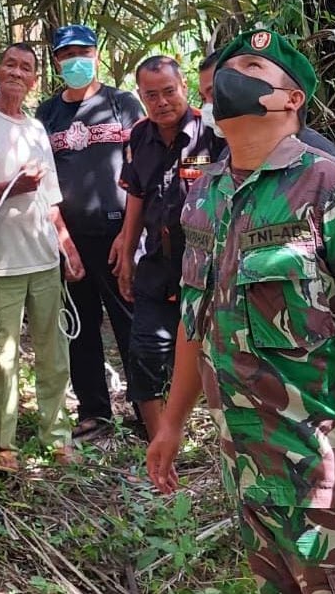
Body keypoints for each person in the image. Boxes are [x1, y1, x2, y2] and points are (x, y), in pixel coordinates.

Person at [147, 29, 335, 592]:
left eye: (252, 66)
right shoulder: (207, 194)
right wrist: (171, 421)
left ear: (292, 99)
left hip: (328, 473)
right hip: (247, 471)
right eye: (226, 66)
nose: (230, 75)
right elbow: (197, 319)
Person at [0, 43, 85, 472]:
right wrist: (9, 188)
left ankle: (57, 435)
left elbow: (50, 196)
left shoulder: (36, 129)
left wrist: (66, 247)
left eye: (27, 68)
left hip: (42, 260)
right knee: (2, 360)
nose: (17, 72)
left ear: (36, 79)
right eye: (10, 63)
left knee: (54, 355)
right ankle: (1, 445)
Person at [36, 24, 144, 441]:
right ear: (57, 61)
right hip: (69, 242)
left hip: (119, 235)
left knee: (130, 323)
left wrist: (130, 237)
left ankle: (147, 407)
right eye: (66, 55)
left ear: (96, 55)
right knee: (79, 328)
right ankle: (95, 412)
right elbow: (45, 180)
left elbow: (138, 170)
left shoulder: (122, 104)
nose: (74, 61)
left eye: (82, 52)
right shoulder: (48, 114)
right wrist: (63, 242)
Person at [117, 56, 223, 440]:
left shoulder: (212, 133)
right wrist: (127, 255)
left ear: (184, 89)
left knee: (213, 354)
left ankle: (218, 435)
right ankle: (159, 439)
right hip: (157, 266)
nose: (162, 102)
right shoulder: (138, 136)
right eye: (151, 95)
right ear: (141, 97)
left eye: (169, 92)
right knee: (145, 352)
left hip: (207, 267)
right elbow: (136, 197)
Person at [198, 48, 335, 160]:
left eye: (217, 91)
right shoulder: (227, 159)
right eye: (204, 98)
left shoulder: (321, 162)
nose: (211, 105)